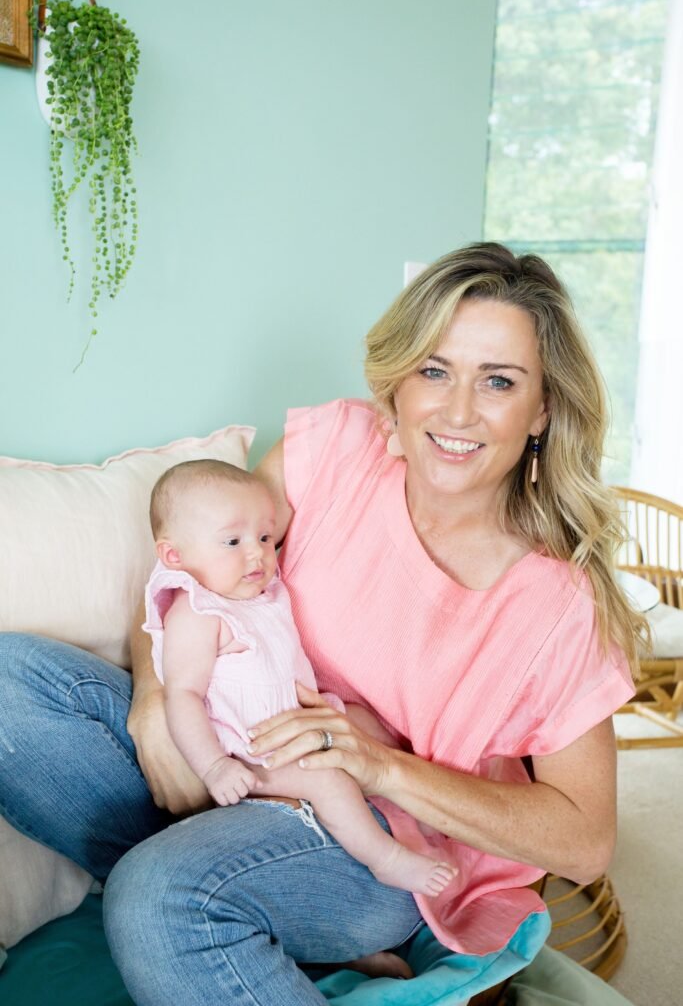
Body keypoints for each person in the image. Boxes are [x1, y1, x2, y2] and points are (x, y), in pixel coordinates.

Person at [0, 243, 642, 1006]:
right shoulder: (334, 452)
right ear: (399, 380)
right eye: (434, 370)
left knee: (157, 893)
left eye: (497, 381)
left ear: (540, 409)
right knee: (11, 686)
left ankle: (228, 905)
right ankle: (252, 916)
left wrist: (377, 765)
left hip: (373, 835)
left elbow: (583, 841)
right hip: (233, 755)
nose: (457, 411)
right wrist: (153, 700)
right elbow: (187, 579)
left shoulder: (556, 606)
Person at [143, 458, 456, 896]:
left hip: (300, 721)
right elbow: (183, 695)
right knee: (328, 781)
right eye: (232, 541)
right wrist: (215, 767)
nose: (256, 553)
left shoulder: (257, 591)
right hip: (254, 753)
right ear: (175, 557)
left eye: (265, 537)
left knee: (367, 723)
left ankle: (419, 805)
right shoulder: (197, 612)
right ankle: (384, 858)